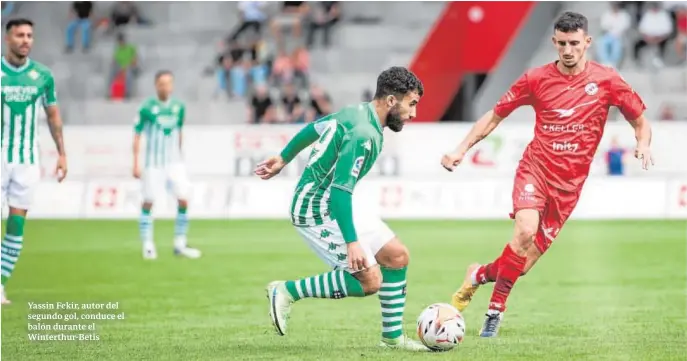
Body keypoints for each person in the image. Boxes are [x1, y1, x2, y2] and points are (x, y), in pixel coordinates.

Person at [441, 12, 653, 338]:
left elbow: (640, 120)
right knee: (524, 231)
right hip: (535, 170)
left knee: (520, 266)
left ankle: (478, 275)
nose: (568, 50)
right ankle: (495, 313)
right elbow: (494, 117)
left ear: (587, 42)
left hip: (568, 189)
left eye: (574, 43)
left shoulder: (607, 80)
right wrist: (461, 149)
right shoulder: (535, 79)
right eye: (562, 43)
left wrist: (642, 144)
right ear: (554, 42)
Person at [255, 67, 427, 351]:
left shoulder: (358, 112)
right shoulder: (364, 134)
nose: (414, 113)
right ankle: (286, 291)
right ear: (391, 101)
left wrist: (284, 158)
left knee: (396, 256)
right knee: (370, 281)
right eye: (412, 104)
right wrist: (352, 242)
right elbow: (340, 190)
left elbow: (316, 128)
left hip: (335, 202)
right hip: (316, 209)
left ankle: (392, 339)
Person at [1, 18, 68, 305]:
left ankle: (0, 285)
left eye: (29, 35)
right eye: (20, 35)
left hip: (28, 161)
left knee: (16, 225)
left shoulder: (43, 75)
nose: (26, 40)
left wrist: (62, 153)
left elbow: (53, 116)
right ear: (7, 38)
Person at [132, 71, 201, 260]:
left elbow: (179, 131)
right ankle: (147, 245)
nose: (165, 87)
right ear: (156, 85)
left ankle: (180, 244)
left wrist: (181, 154)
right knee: (148, 201)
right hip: (153, 163)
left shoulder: (179, 107)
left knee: (184, 198)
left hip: (174, 163)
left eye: (169, 83)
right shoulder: (146, 108)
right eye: (162, 83)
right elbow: (137, 135)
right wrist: (135, 163)